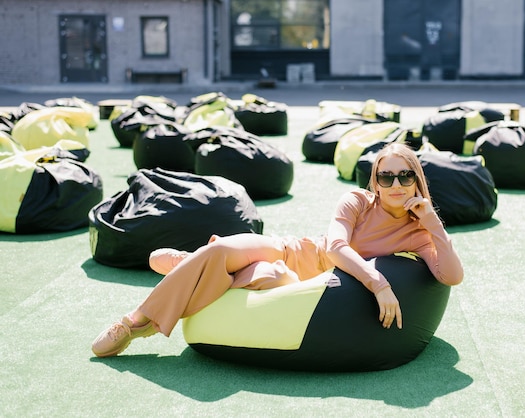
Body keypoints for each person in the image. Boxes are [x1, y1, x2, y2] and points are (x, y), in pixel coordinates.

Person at [92, 142, 464, 357]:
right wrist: (377, 282)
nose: (396, 183)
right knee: (228, 254)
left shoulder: (419, 233)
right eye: (387, 176)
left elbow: (452, 276)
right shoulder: (356, 201)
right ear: (376, 182)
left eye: (405, 175)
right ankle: (136, 321)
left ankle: (187, 265)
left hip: (309, 285)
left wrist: (433, 224)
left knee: (268, 277)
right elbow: (335, 246)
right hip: (291, 251)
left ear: (417, 179)